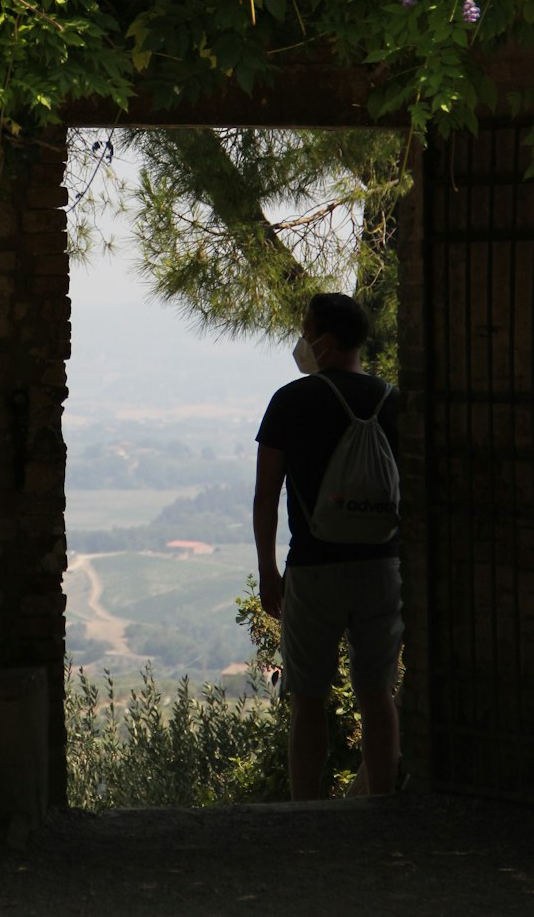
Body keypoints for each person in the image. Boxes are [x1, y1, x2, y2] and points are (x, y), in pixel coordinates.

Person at [253, 292, 402, 799]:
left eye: (306, 328)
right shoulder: (393, 400)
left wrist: (269, 572)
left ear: (327, 341)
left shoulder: (291, 401)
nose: (301, 339)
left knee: (307, 699)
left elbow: (265, 495)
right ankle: (382, 805)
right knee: (377, 693)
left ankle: (305, 813)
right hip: (382, 565)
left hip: (314, 569)